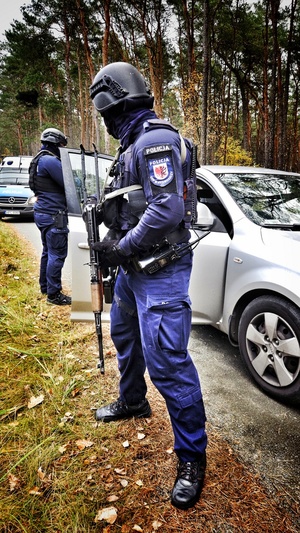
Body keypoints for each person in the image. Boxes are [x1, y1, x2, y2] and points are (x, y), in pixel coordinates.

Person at [89, 62, 207, 510]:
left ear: (115, 103)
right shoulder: (131, 145)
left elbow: (166, 212)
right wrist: (107, 228)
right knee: (126, 338)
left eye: (104, 111)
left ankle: (192, 457)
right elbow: (131, 205)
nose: (103, 121)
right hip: (134, 271)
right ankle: (133, 401)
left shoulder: (154, 139)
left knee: (169, 363)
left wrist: (122, 248)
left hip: (161, 270)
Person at [31, 127, 71, 305]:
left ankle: (46, 287)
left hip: (42, 212)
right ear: (55, 143)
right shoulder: (50, 160)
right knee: (57, 254)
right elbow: (69, 182)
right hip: (54, 214)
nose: (62, 148)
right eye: (62, 144)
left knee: (48, 251)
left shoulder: (38, 160)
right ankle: (54, 295)